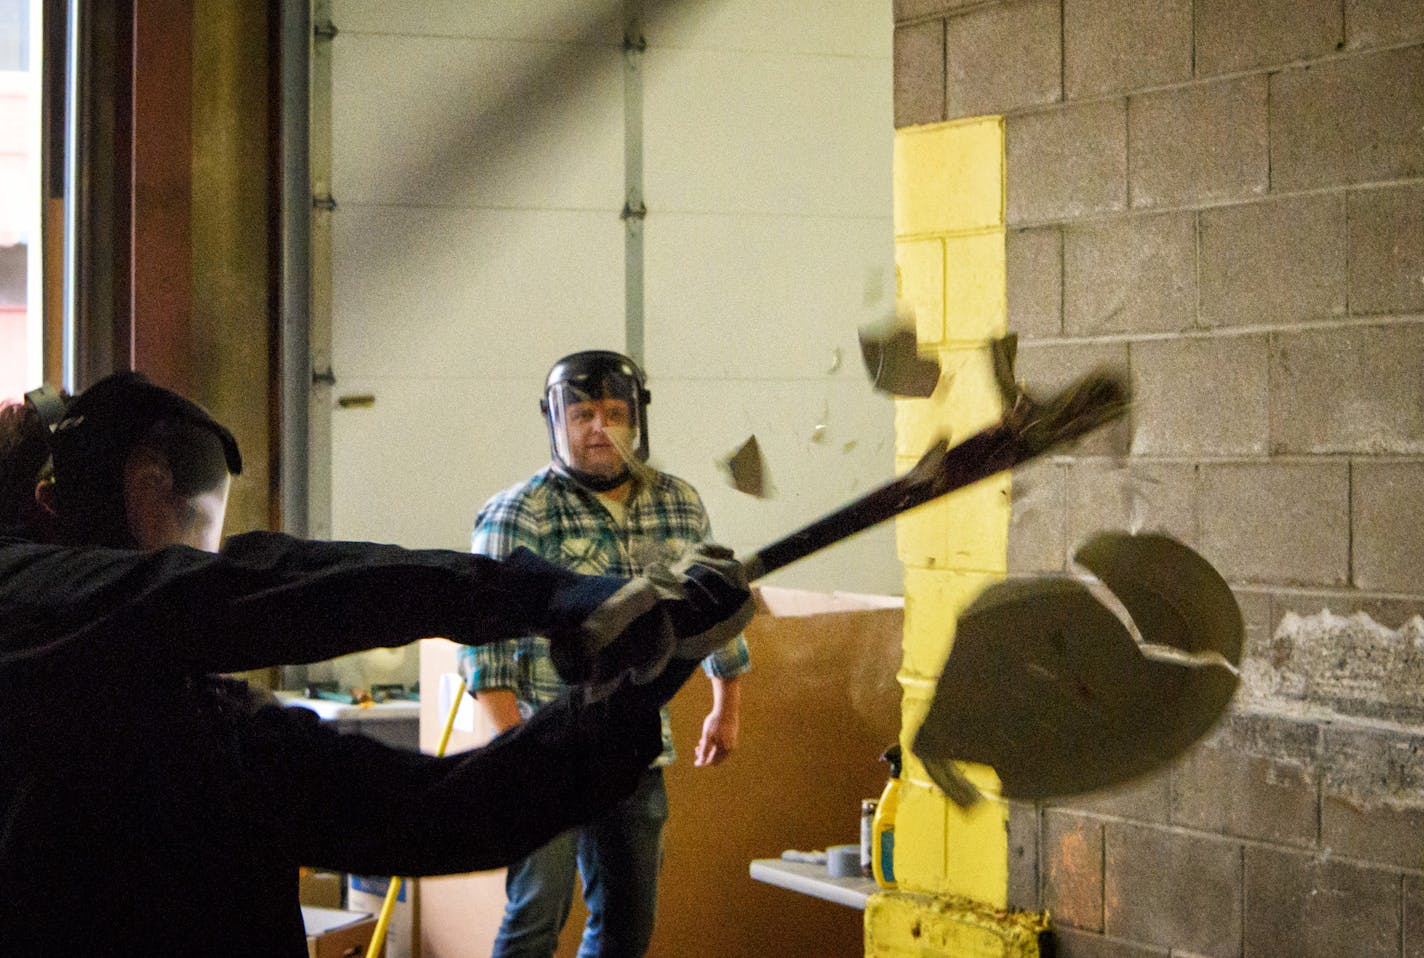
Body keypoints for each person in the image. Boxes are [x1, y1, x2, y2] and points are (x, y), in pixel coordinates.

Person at [0, 371, 754, 958]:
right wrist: (544, 593)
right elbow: (233, 590)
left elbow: (445, 812)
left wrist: (642, 688)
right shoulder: (23, 605)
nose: (187, 540)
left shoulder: (206, 725)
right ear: (57, 497)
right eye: (158, 497)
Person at [459, 350, 752, 958]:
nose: (599, 428)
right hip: (545, 742)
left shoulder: (679, 503)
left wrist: (727, 704)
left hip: (632, 747)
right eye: (583, 414)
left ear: (637, 421)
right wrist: (520, 756)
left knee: (628, 922)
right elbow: (488, 654)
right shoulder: (518, 513)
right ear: (556, 422)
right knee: (537, 914)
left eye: (614, 413)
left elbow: (713, 606)